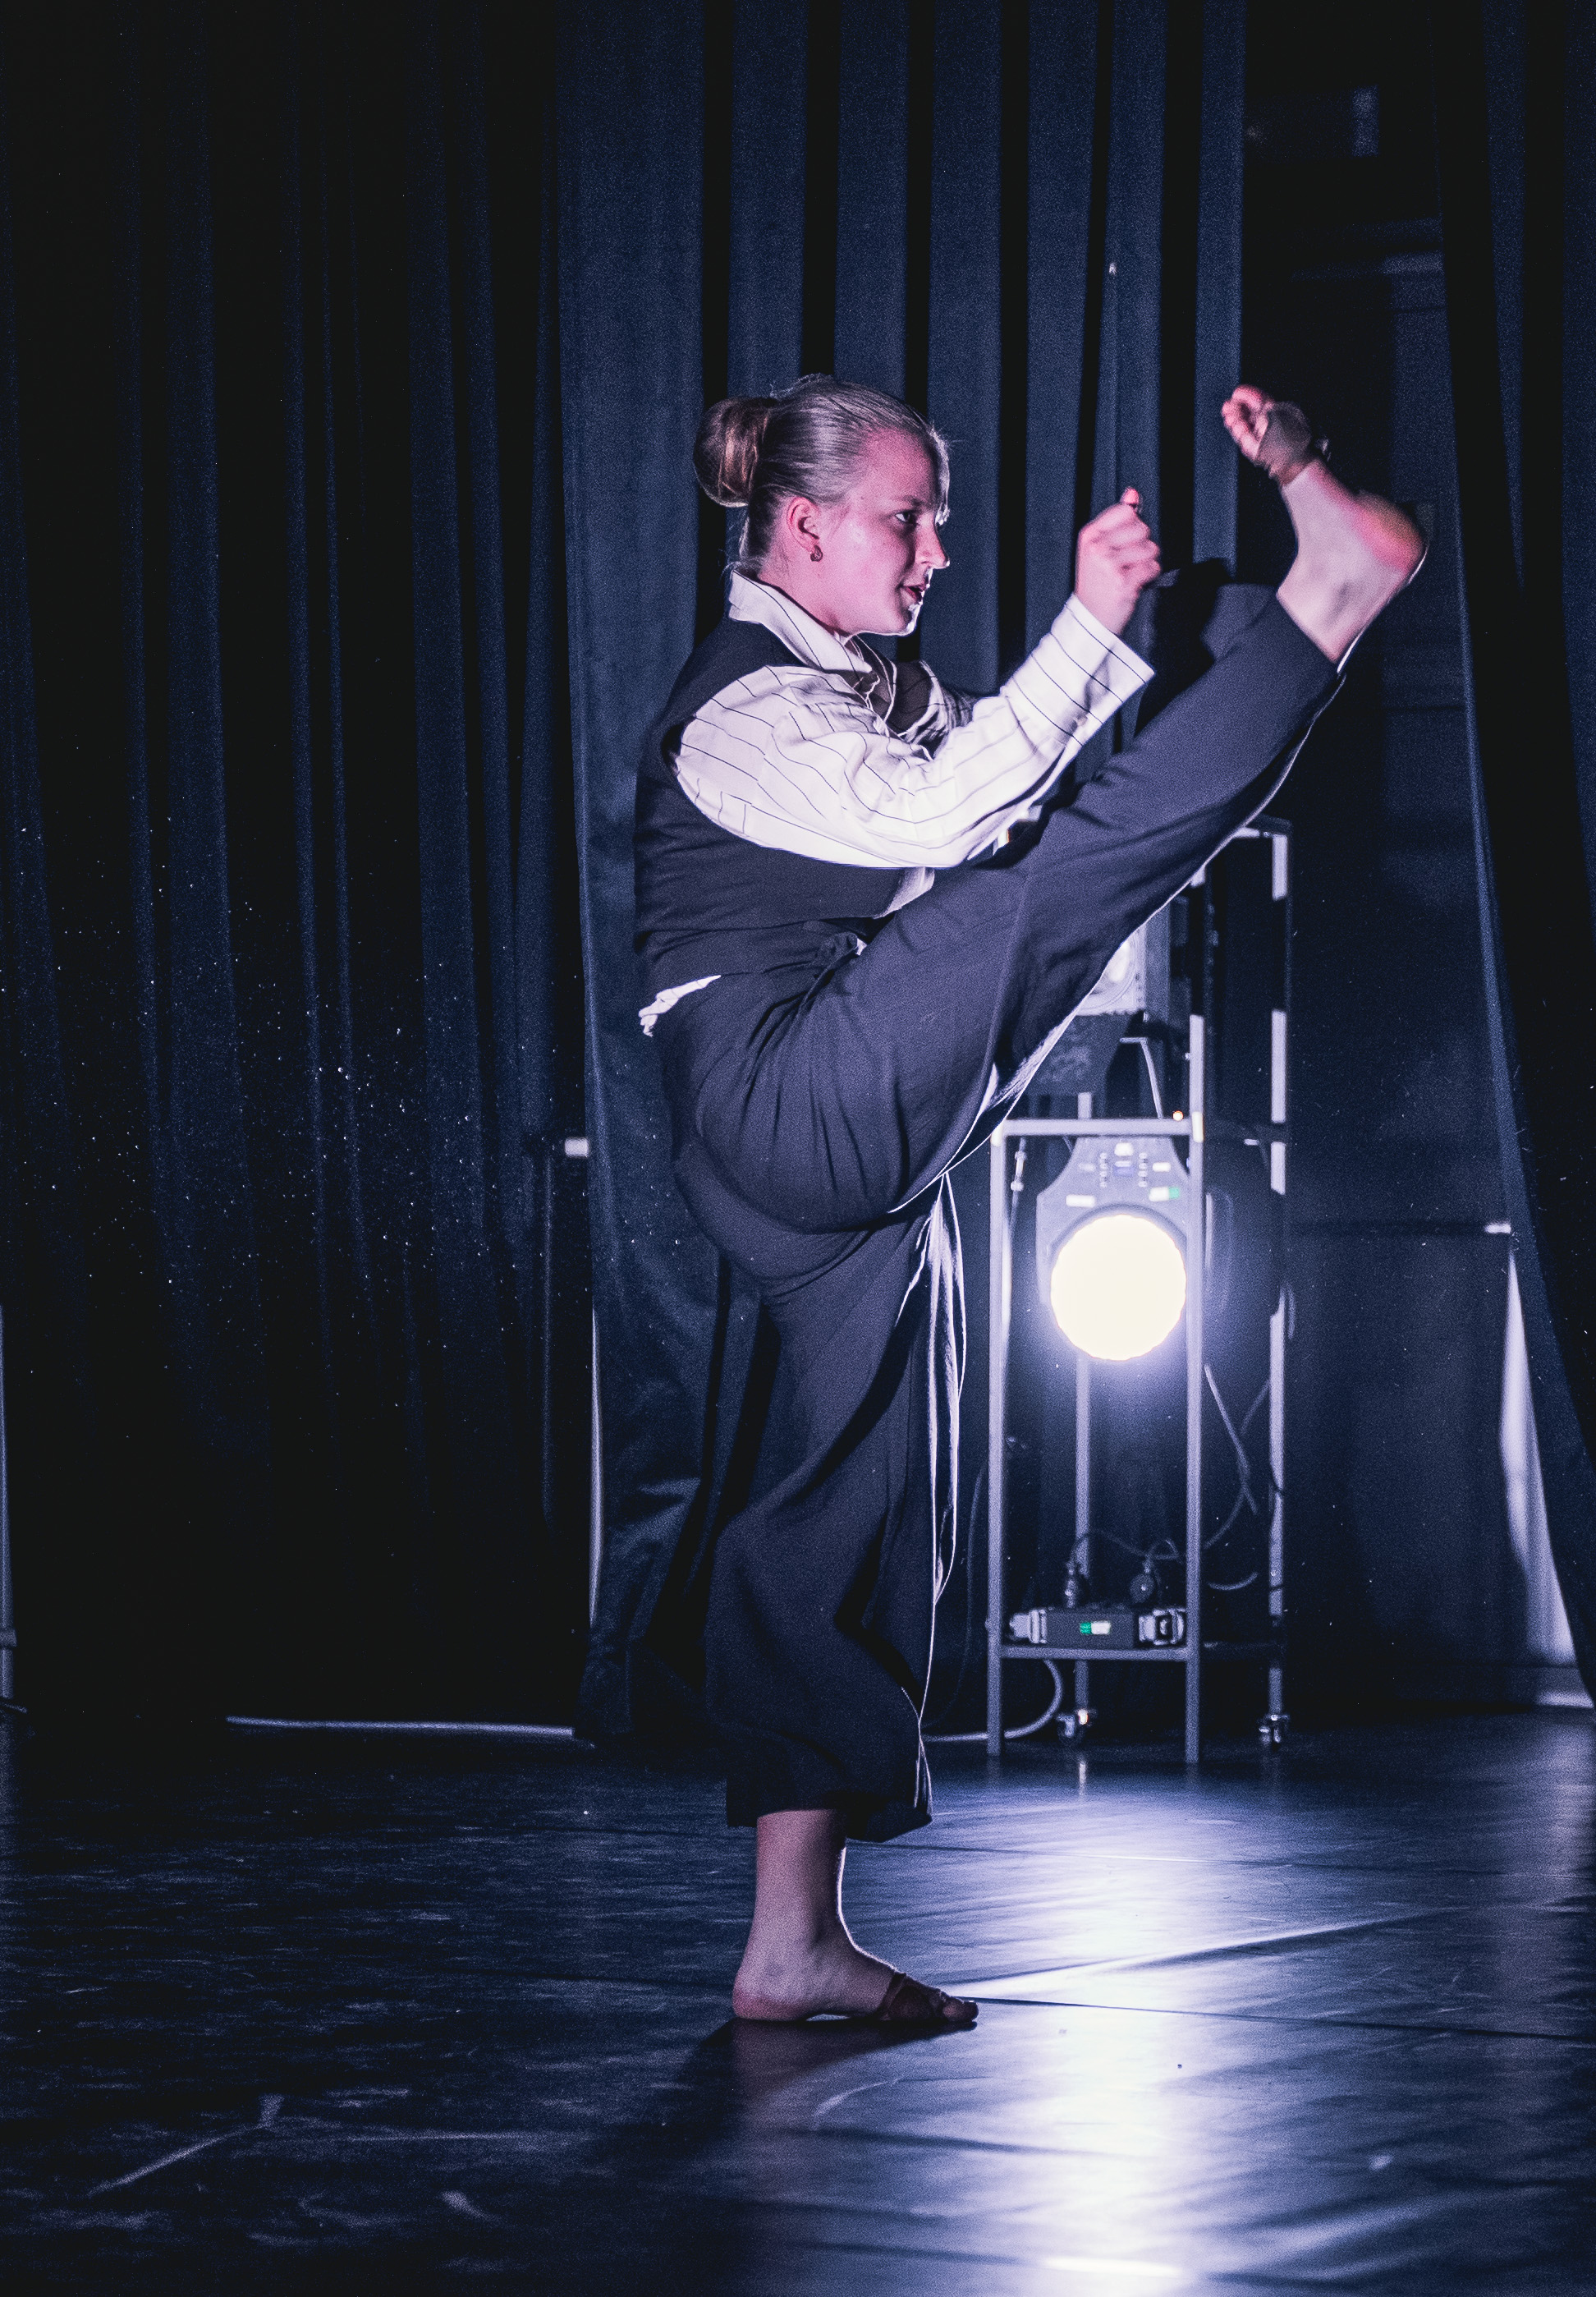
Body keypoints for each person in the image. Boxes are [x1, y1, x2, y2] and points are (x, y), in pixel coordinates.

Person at [638, 372, 1421, 2025]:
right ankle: (1330, 594)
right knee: (1068, 873)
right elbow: (959, 816)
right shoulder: (747, 707)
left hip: (799, 1147)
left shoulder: (865, 688)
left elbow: (978, 792)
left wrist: (1088, 677)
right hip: (783, 1092)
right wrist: (1091, 624)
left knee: (850, 1501)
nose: (933, 552)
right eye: (906, 520)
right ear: (802, 526)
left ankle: (789, 1941)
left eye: (936, 521)